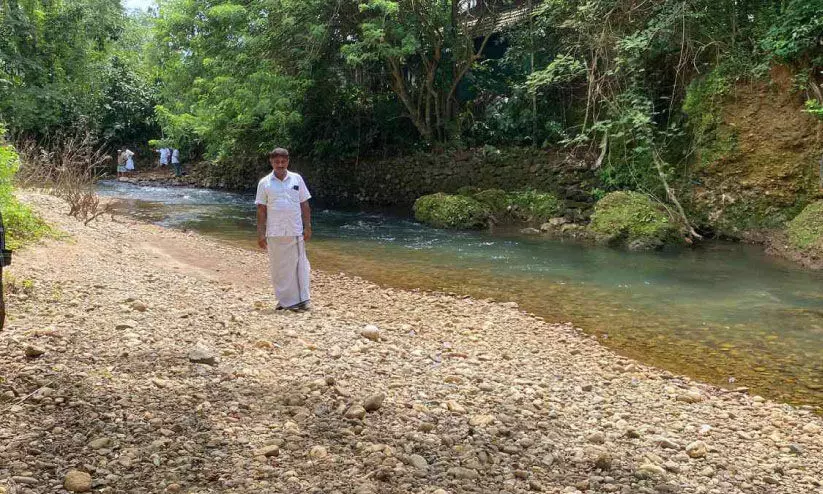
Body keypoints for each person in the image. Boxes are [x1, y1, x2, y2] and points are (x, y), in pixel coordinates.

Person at [255, 147, 312, 311]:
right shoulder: (264, 183)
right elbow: (261, 209)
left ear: (288, 161)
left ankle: (302, 300)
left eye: (283, 161)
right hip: (274, 231)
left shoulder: (297, 179)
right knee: (279, 267)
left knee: (299, 265)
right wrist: (260, 233)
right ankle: (285, 301)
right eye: (276, 162)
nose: (280, 165)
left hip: (294, 230)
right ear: (271, 162)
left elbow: (304, 203)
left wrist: (307, 226)